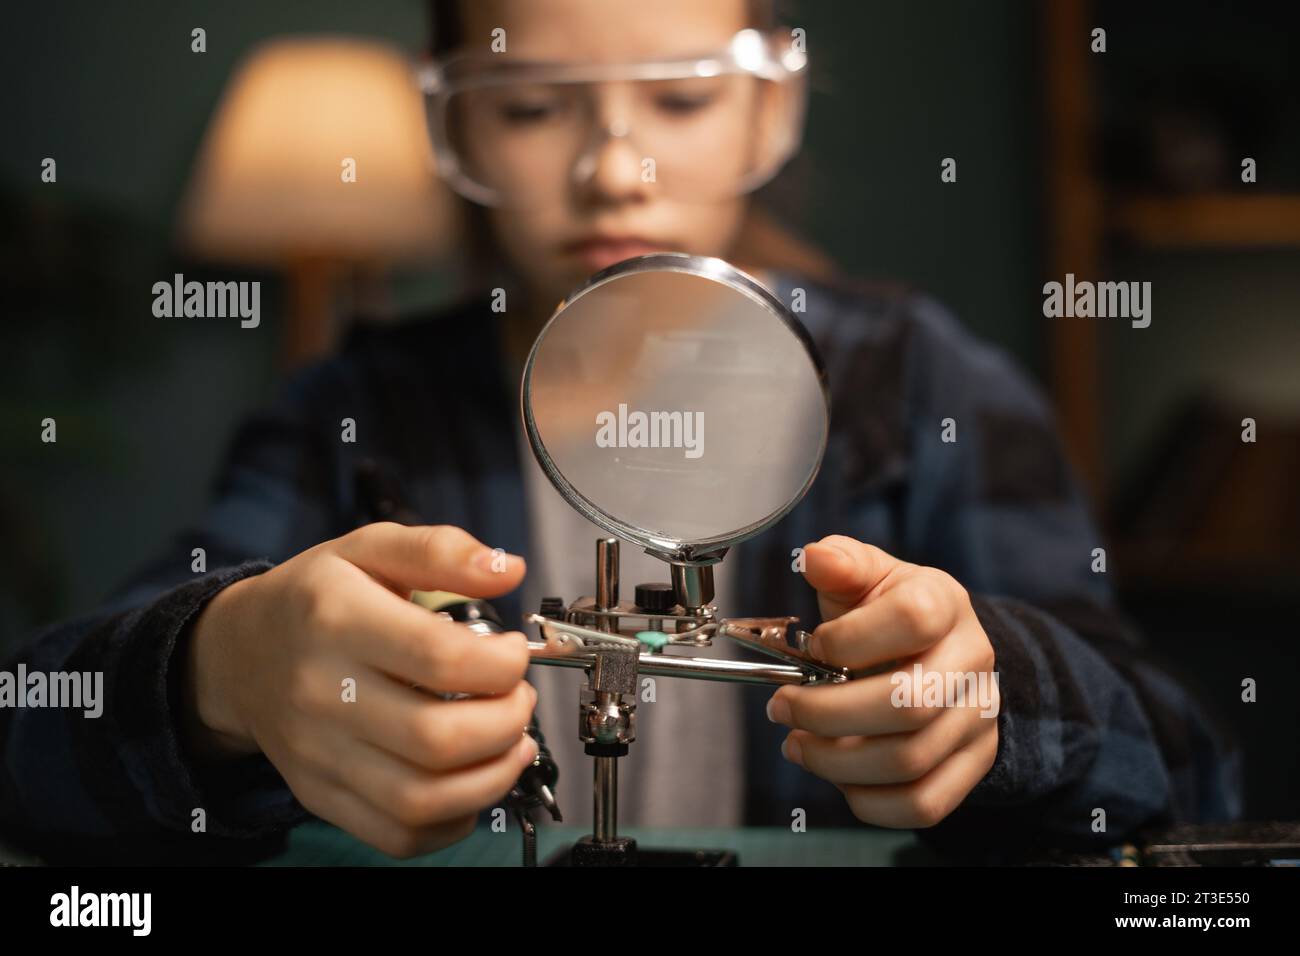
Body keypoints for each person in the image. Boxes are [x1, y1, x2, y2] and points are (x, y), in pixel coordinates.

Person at [0, 0, 1240, 864]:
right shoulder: (356, 405)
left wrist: (995, 702)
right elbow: (33, 721)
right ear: (453, 128)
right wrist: (223, 672)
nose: (615, 167)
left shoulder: (916, 382)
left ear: (772, 110)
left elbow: (1184, 762)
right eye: (532, 106)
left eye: (681, 96)